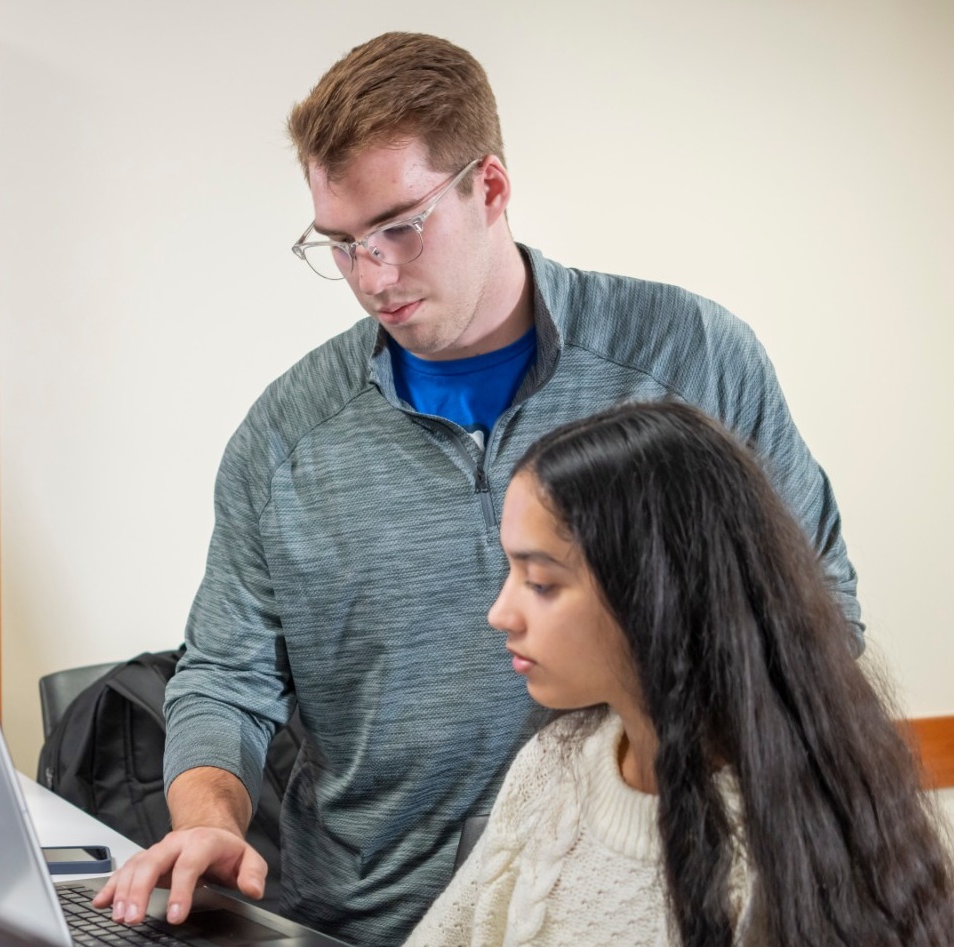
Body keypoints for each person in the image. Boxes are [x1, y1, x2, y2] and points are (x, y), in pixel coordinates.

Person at [92, 31, 861, 947]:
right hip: (358, 921)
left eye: (398, 228)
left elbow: (818, 622)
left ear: (488, 187)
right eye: (338, 245)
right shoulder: (286, 435)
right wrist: (210, 818)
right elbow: (223, 678)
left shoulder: (688, 360)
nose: (371, 277)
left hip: (638, 906)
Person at [404, 400, 954, 947]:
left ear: (654, 598)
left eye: (542, 582)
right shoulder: (552, 768)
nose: (499, 614)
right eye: (511, 570)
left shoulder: (788, 855)